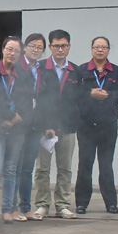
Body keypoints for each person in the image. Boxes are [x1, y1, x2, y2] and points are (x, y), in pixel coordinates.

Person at [0, 36, 33, 225]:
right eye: (9, 49)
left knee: (11, 170)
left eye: (16, 51)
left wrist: (17, 118)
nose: (12, 53)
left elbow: (28, 101)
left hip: (18, 128)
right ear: (2, 50)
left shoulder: (24, 75)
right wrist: (5, 119)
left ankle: (7, 209)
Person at [75, 37, 118, 214]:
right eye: (96, 47)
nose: (100, 50)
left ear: (108, 50)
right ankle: (81, 203)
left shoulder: (117, 71)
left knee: (106, 165)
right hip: (86, 125)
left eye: (103, 47)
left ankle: (111, 203)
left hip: (108, 125)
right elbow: (74, 94)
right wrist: (91, 93)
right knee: (85, 164)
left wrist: (108, 95)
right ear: (91, 49)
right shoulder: (81, 70)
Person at [33, 29, 81, 219]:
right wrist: (45, 124)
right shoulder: (40, 68)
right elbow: (38, 99)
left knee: (65, 168)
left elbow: (79, 100)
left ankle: (62, 204)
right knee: (42, 169)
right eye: (56, 46)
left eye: (64, 46)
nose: (60, 49)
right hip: (45, 128)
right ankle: (42, 204)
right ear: (50, 47)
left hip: (68, 127)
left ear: (69, 47)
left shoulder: (76, 71)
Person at [15, 33, 46, 221]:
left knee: (28, 168)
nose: (36, 49)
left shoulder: (43, 71)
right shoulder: (17, 67)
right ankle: (10, 208)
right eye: (32, 45)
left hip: (36, 125)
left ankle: (26, 207)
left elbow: (46, 100)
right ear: (25, 47)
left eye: (40, 47)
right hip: (19, 124)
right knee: (15, 168)